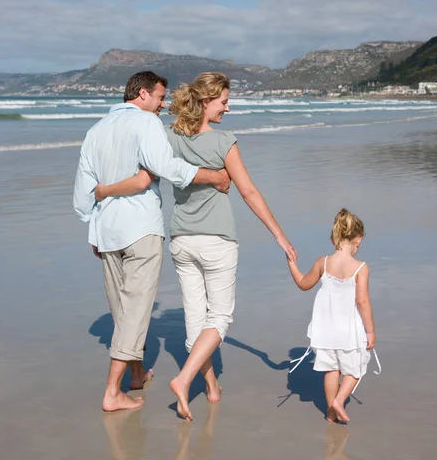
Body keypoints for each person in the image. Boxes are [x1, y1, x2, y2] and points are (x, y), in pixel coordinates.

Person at [97, 72, 297, 420]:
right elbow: (248, 191)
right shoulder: (223, 141)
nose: (228, 108)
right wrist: (278, 234)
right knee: (219, 318)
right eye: (223, 102)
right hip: (217, 241)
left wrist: (103, 205)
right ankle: (185, 379)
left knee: (195, 323)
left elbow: (143, 179)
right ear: (206, 102)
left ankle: (212, 388)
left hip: (181, 241)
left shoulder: (170, 138)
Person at [73, 71, 231, 413]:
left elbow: (83, 190)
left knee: (121, 306)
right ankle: (112, 392)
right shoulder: (146, 124)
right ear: (142, 94)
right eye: (160, 97)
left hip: (106, 231)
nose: (162, 105)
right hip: (141, 228)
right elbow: (168, 167)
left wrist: (92, 227)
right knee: (136, 308)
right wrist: (213, 176)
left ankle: (137, 374)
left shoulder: (96, 130)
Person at [287, 208, 376, 423]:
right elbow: (362, 301)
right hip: (348, 330)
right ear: (358, 239)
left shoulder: (323, 263)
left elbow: (303, 284)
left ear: (333, 237)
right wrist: (370, 331)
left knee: (330, 370)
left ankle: (330, 413)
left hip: (324, 330)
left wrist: (292, 264)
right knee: (356, 368)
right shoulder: (360, 267)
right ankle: (339, 401)